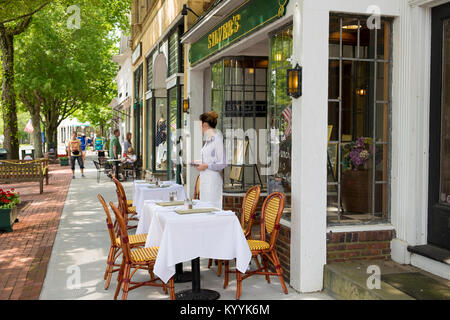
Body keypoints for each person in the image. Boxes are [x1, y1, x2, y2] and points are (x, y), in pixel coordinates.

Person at [193, 111, 226, 209]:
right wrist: (200, 162)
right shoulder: (209, 139)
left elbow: (223, 163)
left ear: (205, 125)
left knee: (212, 210)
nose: (199, 128)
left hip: (213, 181)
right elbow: (211, 159)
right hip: (206, 181)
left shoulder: (217, 139)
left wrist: (206, 165)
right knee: (205, 209)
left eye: (200, 125)